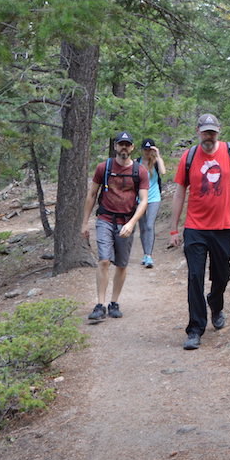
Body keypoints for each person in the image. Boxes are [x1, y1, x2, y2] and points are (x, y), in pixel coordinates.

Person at [169, 114, 230, 350]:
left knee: (222, 274)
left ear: (219, 131)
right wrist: (174, 228)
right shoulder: (189, 156)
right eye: (205, 131)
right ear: (198, 131)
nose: (209, 135)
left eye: (212, 131)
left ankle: (215, 304)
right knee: (195, 277)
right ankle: (195, 329)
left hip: (224, 227)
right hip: (195, 228)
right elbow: (179, 193)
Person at [82, 131, 150, 321]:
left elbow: (144, 201)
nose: (124, 148)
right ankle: (99, 304)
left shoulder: (140, 171)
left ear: (132, 148)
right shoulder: (103, 168)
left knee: (121, 264)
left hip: (126, 221)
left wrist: (132, 222)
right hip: (105, 218)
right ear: (115, 146)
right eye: (121, 144)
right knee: (104, 260)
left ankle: (114, 302)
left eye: (127, 145)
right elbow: (91, 195)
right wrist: (84, 222)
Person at [136, 138, 166, 268]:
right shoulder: (136, 162)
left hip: (154, 197)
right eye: (145, 149)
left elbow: (163, 172)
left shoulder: (155, 162)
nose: (147, 152)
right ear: (142, 150)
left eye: (150, 149)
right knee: (142, 227)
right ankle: (145, 253)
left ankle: (149, 255)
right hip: (139, 198)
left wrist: (158, 155)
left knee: (149, 225)